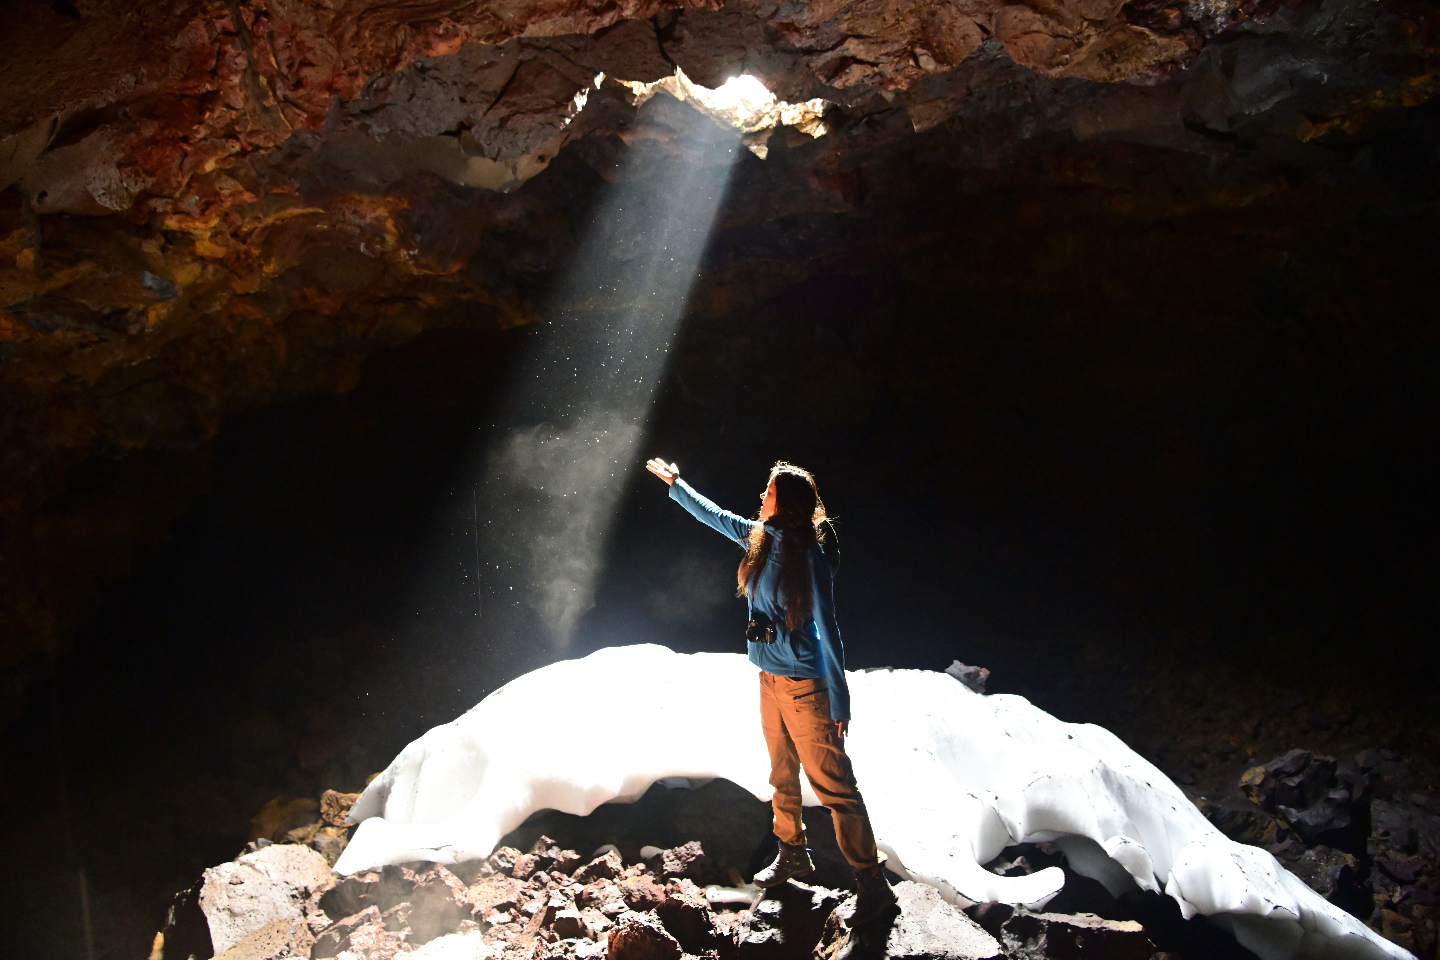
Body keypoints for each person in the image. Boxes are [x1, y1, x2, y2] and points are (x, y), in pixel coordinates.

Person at [644, 457, 898, 926]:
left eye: (768, 492)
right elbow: (713, 516)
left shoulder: (808, 557)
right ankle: (793, 853)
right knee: (781, 772)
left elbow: (830, 631)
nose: (760, 497)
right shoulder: (760, 538)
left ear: (786, 503)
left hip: (806, 687)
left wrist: (840, 701)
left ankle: (872, 883)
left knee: (834, 786)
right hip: (768, 680)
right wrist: (678, 484)